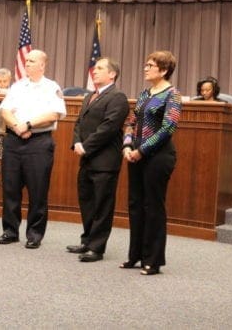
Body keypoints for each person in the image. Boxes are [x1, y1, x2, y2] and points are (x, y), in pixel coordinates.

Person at [0, 50, 66, 249]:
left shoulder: (52, 87)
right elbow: (5, 111)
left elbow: (54, 114)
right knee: (10, 189)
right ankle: (10, 231)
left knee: (38, 191)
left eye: (31, 61)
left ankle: (34, 233)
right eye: (26, 60)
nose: (27, 63)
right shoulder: (18, 86)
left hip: (39, 142)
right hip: (13, 141)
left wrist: (27, 125)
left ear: (42, 65)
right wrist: (18, 127)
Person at [122, 50, 182, 275]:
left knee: (153, 206)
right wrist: (127, 145)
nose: (145, 68)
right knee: (135, 205)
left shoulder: (172, 95)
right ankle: (135, 255)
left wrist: (142, 150)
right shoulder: (145, 93)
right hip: (135, 154)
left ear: (164, 70)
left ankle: (153, 260)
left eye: (150, 65)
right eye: (146, 64)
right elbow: (131, 121)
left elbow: (168, 129)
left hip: (158, 157)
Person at [68, 57, 129, 262]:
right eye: (95, 68)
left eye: (100, 68)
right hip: (86, 158)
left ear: (112, 74)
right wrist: (76, 142)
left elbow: (109, 128)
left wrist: (86, 146)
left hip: (104, 161)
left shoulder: (118, 97)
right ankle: (87, 240)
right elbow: (78, 123)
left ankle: (97, 247)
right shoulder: (90, 96)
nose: (95, 71)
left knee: (102, 205)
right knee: (87, 202)